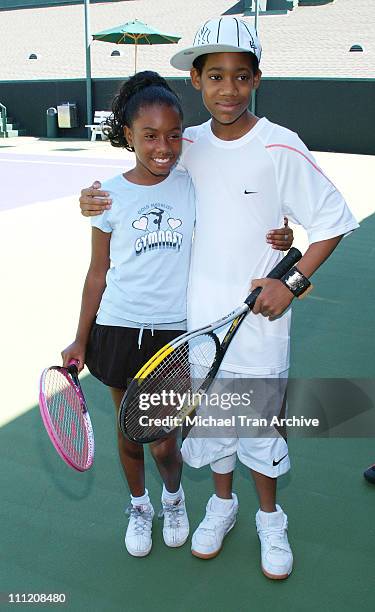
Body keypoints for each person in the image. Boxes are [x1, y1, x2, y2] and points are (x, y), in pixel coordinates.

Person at [77, 16, 358, 580]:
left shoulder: (280, 144)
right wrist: (93, 199)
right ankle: (222, 506)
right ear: (198, 83)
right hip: (194, 325)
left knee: (258, 423)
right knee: (211, 424)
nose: (228, 89)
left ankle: (270, 519)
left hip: (258, 325)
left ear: (257, 79)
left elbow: (333, 221)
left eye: (240, 76)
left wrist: (291, 279)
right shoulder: (187, 144)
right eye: (215, 77)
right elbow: (141, 183)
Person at [62, 72, 196, 558]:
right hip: (117, 328)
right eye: (150, 136)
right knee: (127, 433)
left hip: (171, 332)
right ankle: (139, 506)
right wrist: (81, 339)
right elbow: (97, 273)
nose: (164, 147)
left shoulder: (192, 184)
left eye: (173, 135)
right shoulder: (108, 196)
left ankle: (174, 499)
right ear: (128, 135)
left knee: (162, 438)